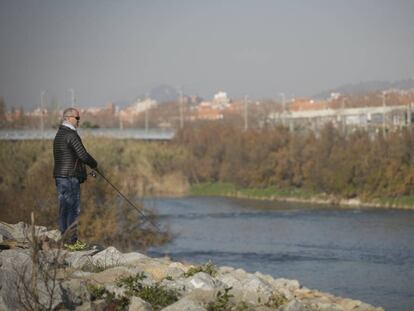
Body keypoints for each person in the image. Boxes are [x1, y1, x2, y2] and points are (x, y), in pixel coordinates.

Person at [53, 107, 98, 244]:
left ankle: (64, 239)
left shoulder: (59, 134)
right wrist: (94, 164)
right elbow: (83, 155)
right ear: (68, 118)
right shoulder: (71, 135)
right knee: (73, 208)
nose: (79, 121)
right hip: (70, 177)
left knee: (64, 208)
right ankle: (71, 241)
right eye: (77, 118)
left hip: (60, 176)